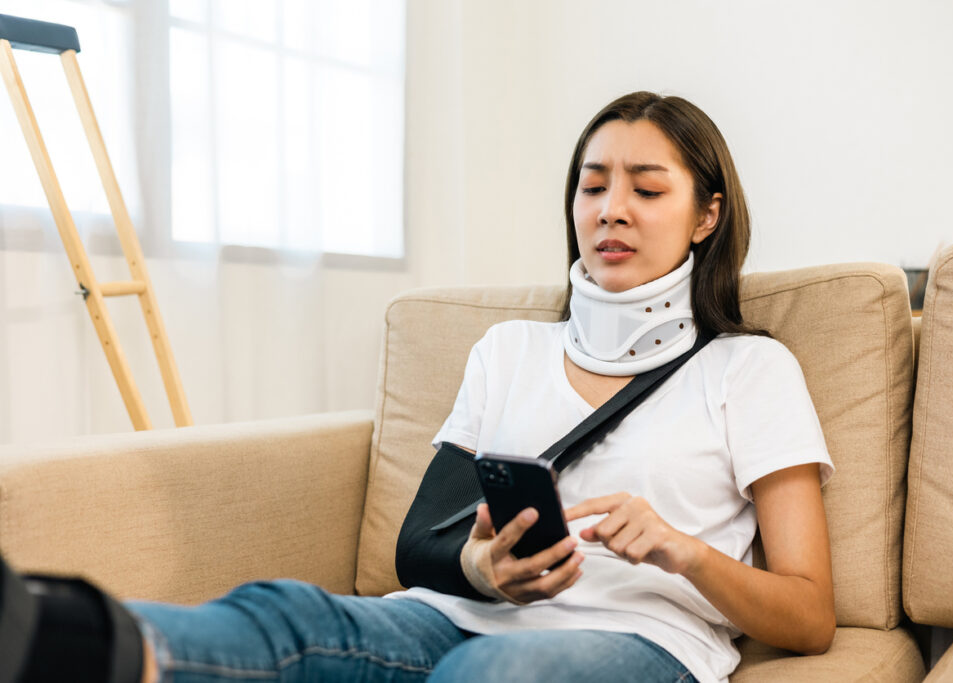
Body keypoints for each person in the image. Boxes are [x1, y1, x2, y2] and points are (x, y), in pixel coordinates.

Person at [4, 91, 835, 683]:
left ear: (706, 216)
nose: (611, 209)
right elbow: (418, 545)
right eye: (592, 185)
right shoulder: (508, 350)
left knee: (495, 671)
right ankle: (47, 628)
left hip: (643, 637)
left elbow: (808, 613)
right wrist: (483, 566)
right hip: (460, 615)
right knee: (291, 616)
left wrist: (682, 550)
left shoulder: (750, 369)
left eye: (647, 189)